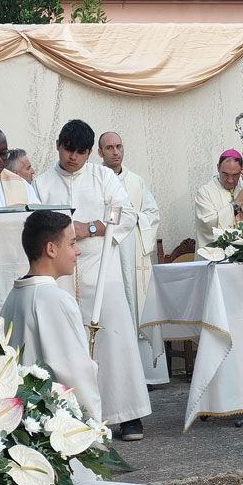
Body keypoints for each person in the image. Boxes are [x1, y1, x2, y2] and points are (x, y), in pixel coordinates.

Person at [34, 120, 151, 440]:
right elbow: (33, 224)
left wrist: (92, 228)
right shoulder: (42, 184)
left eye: (81, 153)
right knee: (66, 347)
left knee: (115, 341)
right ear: (58, 145)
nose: (73, 158)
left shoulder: (103, 177)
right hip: (59, 276)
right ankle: (70, 417)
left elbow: (127, 214)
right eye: (69, 150)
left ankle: (127, 415)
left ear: (90, 153)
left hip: (101, 271)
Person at [0, 210, 102, 420]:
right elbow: (73, 371)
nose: (78, 251)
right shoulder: (56, 299)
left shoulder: (13, 296)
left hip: (21, 416)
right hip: (53, 421)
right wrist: (93, 427)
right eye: (72, 243)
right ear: (51, 249)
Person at [98, 131, 168, 385]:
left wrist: (136, 219)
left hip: (135, 252)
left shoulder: (136, 181)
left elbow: (152, 212)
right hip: (110, 252)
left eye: (118, 146)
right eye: (109, 148)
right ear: (100, 153)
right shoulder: (97, 179)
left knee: (139, 307)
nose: (115, 151)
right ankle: (120, 377)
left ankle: (148, 375)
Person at [193, 149, 243, 249]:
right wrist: (236, 204)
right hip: (220, 256)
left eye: (235, 175)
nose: (230, 180)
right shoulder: (205, 192)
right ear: (218, 168)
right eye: (225, 174)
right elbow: (207, 224)